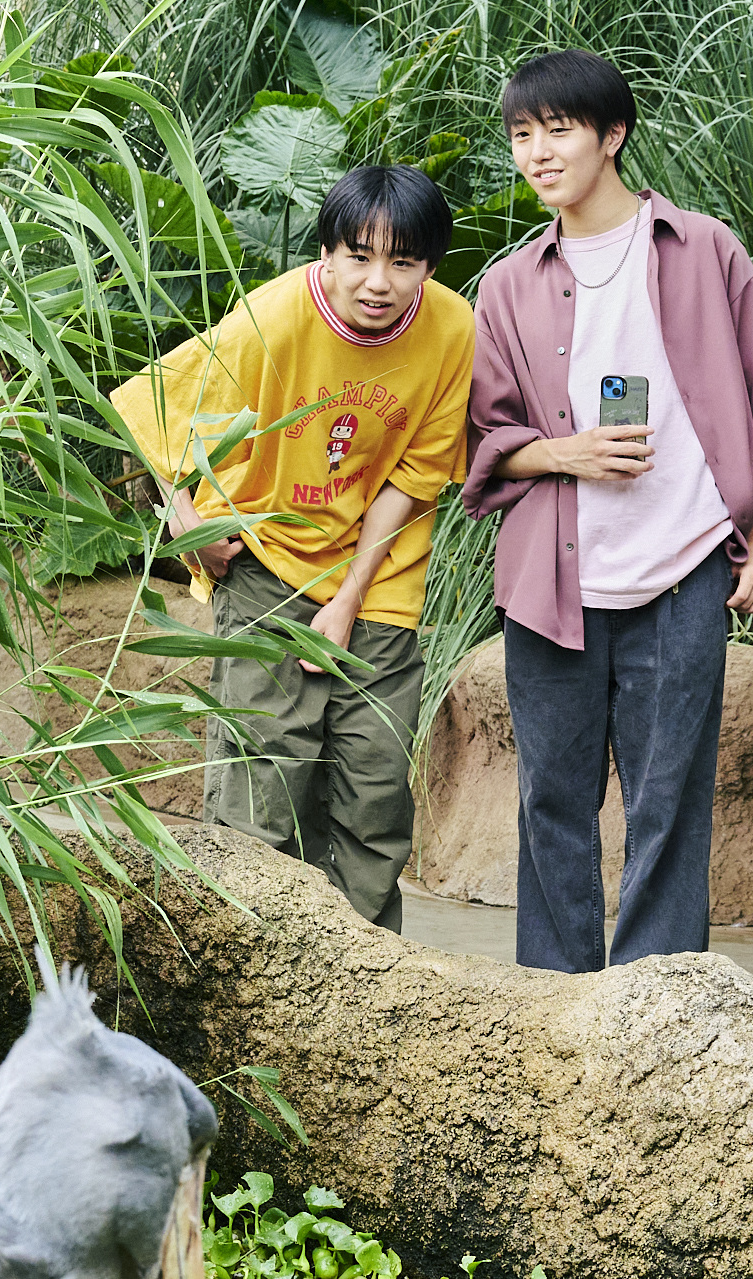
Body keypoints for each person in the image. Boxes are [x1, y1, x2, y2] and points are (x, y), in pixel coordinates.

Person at [462, 50, 753, 973]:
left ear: (611, 135)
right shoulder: (506, 284)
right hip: (555, 576)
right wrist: (568, 453)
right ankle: (555, 999)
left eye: (557, 131)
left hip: (685, 565)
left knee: (671, 795)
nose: (537, 153)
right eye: (520, 136)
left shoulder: (703, 249)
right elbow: (487, 434)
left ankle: (658, 1001)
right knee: (551, 795)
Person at [109, 165, 474, 932]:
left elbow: (416, 474)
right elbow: (151, 407)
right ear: (327, 254)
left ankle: (368, 978)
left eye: (403, 262)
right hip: (267, 564)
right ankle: (248, 968)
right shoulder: (270, 320)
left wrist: (347, 598)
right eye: (359, 257)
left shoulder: (452, 328)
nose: (378, 282)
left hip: (379, 578)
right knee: (261, 787)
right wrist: (187, 527)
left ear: (431, 266)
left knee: (374, 790)